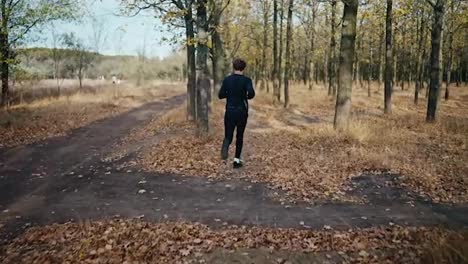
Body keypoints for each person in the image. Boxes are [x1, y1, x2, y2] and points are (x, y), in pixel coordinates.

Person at [218, 58, 255, 168]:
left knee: (228, 135)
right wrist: (245, 96)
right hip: (242, 112)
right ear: (244, 68)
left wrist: (229, 95)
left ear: (233, 67)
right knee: (240, 136)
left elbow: (220, 95)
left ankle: (224, 151)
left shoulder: (227, 79)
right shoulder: (247, 80)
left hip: (230, 111)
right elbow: (252, 94)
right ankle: (236, 161)